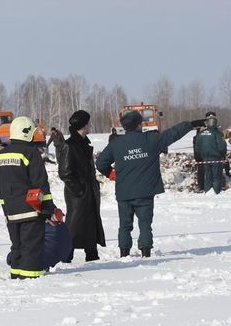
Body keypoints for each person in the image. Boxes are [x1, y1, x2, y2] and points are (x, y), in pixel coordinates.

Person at [96, 111, 202, 258]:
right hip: (145, 192)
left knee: (125, 225)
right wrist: (191, 124)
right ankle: (146, 252)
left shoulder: (116, 144)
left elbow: (100, 163)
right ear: (139, 124)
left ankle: (124, 253)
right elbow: (172, 134)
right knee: (145, 224)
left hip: (124, 193)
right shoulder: (151, 139)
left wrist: (111, 173)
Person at [0, 116, 60, 279]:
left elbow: (0, 187)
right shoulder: (31, 153)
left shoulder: (0, 156)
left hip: (10, 211)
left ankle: (16, 276)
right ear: (26, 133)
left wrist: (6, 208)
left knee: (17, 246)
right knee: (31, 247)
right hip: (30, 210)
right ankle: (31, 278)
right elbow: (40, 185)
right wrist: (49, 209)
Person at [54, 110, 106, 262]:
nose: (90, 125)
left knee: (90, 225)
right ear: (83, 125)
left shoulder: (84, 143)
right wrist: (80, 190)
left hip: (88, 192)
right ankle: (65, 258)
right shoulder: (69, 145)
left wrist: (93, 185)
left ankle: (92, 257)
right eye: (88, 123)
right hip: (78, 195)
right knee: (74, 228)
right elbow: (65, 173)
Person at [193, 111, 227, 194]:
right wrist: (222, 155)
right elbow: (222, 146)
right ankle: (216, 192)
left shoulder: (200, 133)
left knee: (207, 176)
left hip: (205, 158)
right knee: (216, 177)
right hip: (216, 158)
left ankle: (207, 192)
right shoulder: (218, 133)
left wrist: (200, 156)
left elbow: (197, 146)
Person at [192, 126, 206, 192]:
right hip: (201, 157)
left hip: (198, 157)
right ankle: (202, 186)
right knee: (204, 172)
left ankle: (201, 186)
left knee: (200, 172)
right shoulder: (200, 138)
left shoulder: (196, 138)